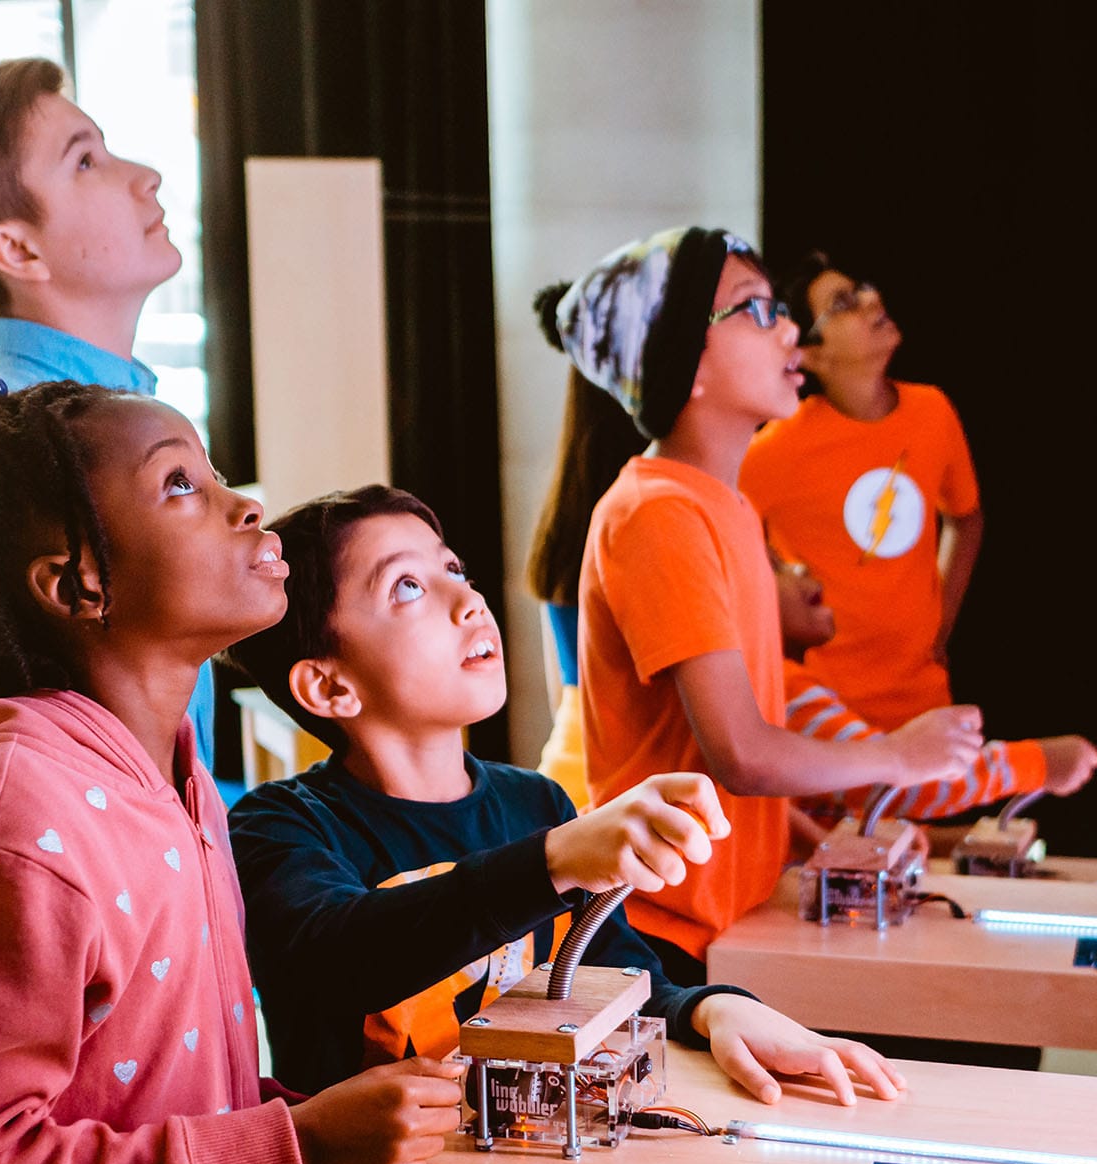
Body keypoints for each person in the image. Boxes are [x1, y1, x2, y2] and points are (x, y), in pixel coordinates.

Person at [0, 373, 458, 1164]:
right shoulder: (16, 813)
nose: (245, 504)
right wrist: (289, 1142)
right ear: (79, 582)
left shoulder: (173, 777)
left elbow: (153, 1085)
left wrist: (322, 1116)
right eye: (181, 486)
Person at [224, 485, 905, 1106]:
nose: (469, 601)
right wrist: (553, 861)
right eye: (407, 587)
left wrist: (714, 1009)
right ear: (330, 687)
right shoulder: (277, 827)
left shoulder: (534, 804)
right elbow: (335, 959)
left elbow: (618, 980)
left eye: (454, 570)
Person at [553, 226, 985, 984]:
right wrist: (899, 755)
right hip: (658, 941)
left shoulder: (723, 505)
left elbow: (709, 769)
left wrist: (814, 839)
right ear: (681, 363)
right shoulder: (657, 513)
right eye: (754, 309)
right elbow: (743, 754)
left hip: (724, 922)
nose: (788, 325)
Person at [0, 56, 214, 862]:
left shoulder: (111, 421)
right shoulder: (8, 450)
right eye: (85, 160)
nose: (147, 176)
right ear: (17, 248)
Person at [739, 252, 982, 730]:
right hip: (829, 716)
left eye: (863, 288)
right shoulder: (774, 450)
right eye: (843, 302)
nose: (872, 299)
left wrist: (942, 621)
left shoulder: (933, 412)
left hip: (925, 703)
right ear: (809, 353)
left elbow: (967, 518)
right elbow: (726, 540)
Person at [773, 557, 1097, 830]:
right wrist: (1039, 763)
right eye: (774, 564)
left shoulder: (789, 685)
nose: (800, 568)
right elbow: (889, 782)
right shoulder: (785, 688)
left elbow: (825, 812)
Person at [523, 283, 649, 811]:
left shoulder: (565, 513)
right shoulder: (650, 513)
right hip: (629, 795)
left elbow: (563, 696)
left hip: (567, 784)